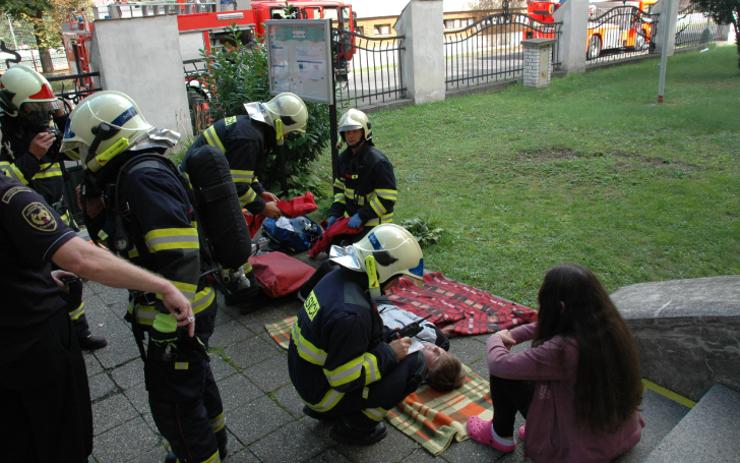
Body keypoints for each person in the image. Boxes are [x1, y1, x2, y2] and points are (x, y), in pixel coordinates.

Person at [61, 90, 228, 463]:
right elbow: (127, 245)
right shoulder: (130, 173)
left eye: (84, 150)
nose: (84, 161)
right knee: (195, 385)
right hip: (181, 309)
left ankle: (198, 454)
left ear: (104, 138)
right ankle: (217, 446)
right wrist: (95, 211)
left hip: (178, 314)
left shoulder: (142, 177)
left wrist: (168, 328)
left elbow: (181, 257)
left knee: (176, 408)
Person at [0, 173, 194, 463]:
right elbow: (83, 259)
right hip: (33, 344)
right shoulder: (9, 196)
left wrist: (32, 277)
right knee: (64, 439)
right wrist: (162, 285)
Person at [467, 263, 644, 462]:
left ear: (560, 308)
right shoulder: (610, 325)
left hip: (579, 450)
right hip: (620, 435)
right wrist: (512, 334)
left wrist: (496, 339)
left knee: (505, 374)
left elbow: (500, 364)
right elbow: (549, 325)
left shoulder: (562, 350)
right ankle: (542, 427)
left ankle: (499, 435)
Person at [288, 223, 429, 445]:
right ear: (380, 270)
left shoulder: (337, 277)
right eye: (397, 277)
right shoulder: (353, 315)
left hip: (309, 381)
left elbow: (346, 336)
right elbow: (343, 378)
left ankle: (330, 411)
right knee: (415, 364)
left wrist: (386, 337)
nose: (396, 285)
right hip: (325, 393)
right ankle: (356, 427)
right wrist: (389, 354)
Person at [0, 64, 107, 350]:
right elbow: (4, 184)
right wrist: (31, 157)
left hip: (56, 217)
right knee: (40, 287)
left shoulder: (44, 127)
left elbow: (77, 145)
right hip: (24, 230)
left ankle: (79, 333)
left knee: (72, 282)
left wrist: (63, 119)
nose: (42, 115)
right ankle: (52, 336)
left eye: (45, 108)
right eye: (35, 109)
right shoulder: (5, 138)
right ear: (14, 108)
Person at [183, 92, 308, 309]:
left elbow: (244, 172)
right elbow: (237, 186)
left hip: (205, 185)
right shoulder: (250, 138)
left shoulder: (250, 128)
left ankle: (237, 279)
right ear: (280, 125)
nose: (286, 138)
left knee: (230, 239)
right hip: (202, 191)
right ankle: (241, 289)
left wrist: (260, 191)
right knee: (231, 236)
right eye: (288, 133)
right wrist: (262, 207)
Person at [325, 108, 397, 241]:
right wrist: (335, 213)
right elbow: (340, 191)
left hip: (375, 226)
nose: (350, 136)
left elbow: (387, 199)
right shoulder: (343, 160)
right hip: (350, 222)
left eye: (354, 131)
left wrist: (361, 216)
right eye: (347, 132)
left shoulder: (378, 162)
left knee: (348, 255)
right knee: (330, 245)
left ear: (364, 132)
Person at [377, 301, 464, 392]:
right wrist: (392, 308)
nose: (436, 348)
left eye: (436, 357)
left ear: (424, 372)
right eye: (443, 352)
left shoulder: (399, 356)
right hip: (386, 305)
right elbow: (412, 316)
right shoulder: (433, 335)